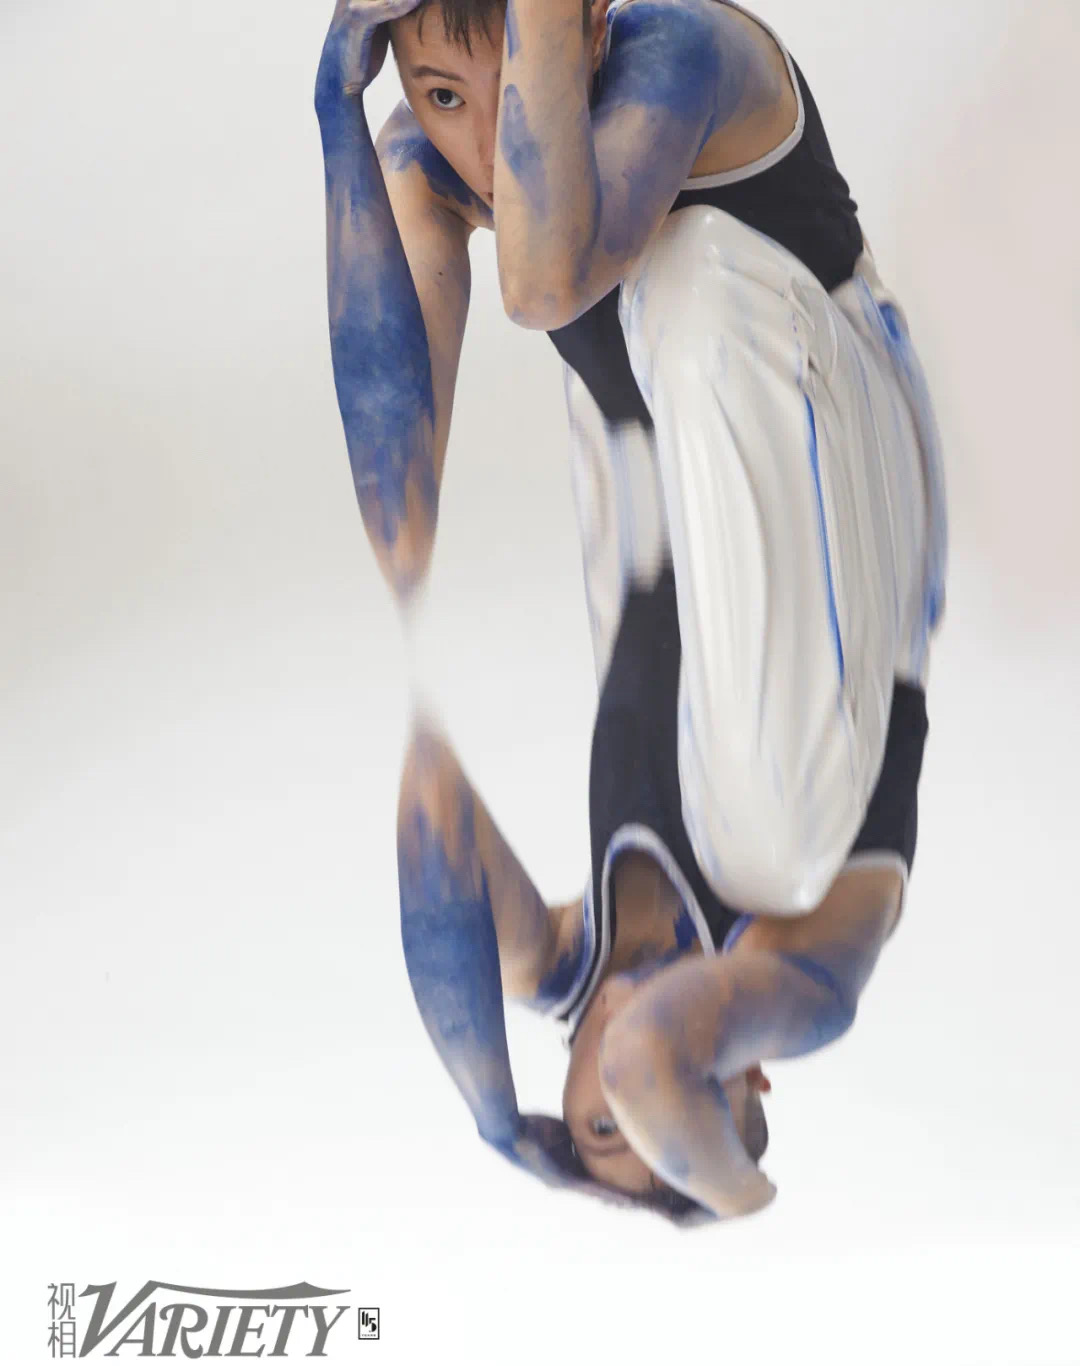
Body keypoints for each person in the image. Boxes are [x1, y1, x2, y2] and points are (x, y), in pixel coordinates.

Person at [315, 0, 948, 1224]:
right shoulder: (808, 973)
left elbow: (396, 478)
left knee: (420, 656)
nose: (477, 139)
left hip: (664, 451)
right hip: (842, 444)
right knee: (674, 287)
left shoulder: (562, 956)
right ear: (743, 1072)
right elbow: (657, 1062)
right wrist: (736, 1199)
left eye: (596, 1122)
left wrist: (339, 110)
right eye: (654, 1128)